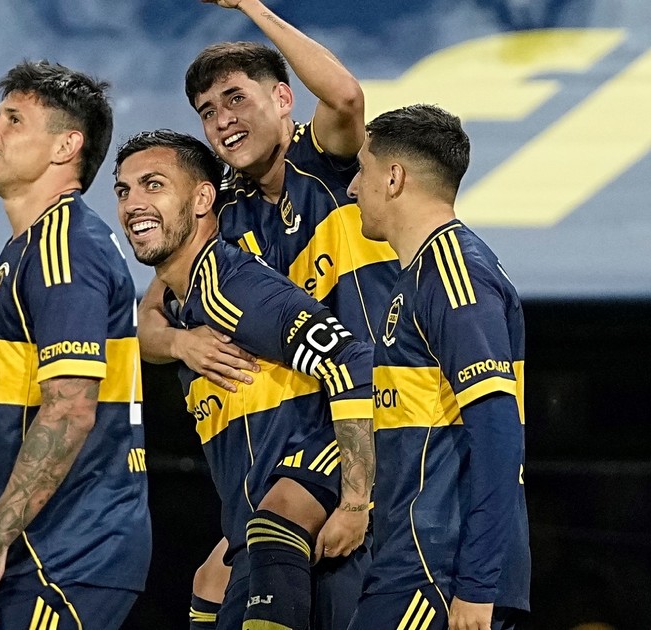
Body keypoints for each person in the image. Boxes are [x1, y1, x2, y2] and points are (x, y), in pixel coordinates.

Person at [137, 2, 400, 627]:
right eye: (207, 111)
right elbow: (147, 321)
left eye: (236, 98)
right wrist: (182, 345)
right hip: (306, 424)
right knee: (210, 582)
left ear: (283, 98)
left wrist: (253, 6)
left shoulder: (327, 161)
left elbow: (345, 96)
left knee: (277, 528)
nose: (222, 120)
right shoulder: (223, 212)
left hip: (374, 402)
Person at [115, 129, 375, 630]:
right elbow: (142, 332)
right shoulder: (186, 305)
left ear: (202, 200)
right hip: (256, 533)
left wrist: (354, 499)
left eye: (153, 185)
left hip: (318, 522)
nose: (133, 203)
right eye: (124, 190)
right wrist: (177, 343)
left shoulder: (232, 286)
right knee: (207, 590)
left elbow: (352, 362)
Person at [0, 61, 150, 630]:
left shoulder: (64, 248)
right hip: (51, 550)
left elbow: (69, 410)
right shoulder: (34, 246)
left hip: (66, 551)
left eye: (14, 119)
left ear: (66, 146)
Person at [346, 104, 530, 630]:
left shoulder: (454, 276)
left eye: (361, 169)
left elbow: (498, 433)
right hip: (415, 565)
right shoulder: (420, 276)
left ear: (394, 178)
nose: (353, 188)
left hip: (438, 574)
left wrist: (476, 586)